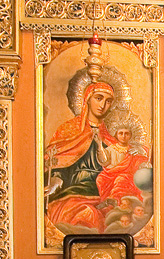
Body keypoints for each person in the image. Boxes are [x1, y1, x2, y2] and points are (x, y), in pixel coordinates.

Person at [44, 81, 118, 232]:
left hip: (102, 192)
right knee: (87, 215)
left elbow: (117, 170)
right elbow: (59, 162)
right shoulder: (69, 130)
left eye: (108, 101)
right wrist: (56, 180)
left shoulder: (110, 138)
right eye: (99, 98)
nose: (103, 105)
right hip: (73, 192)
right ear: (87, 99)